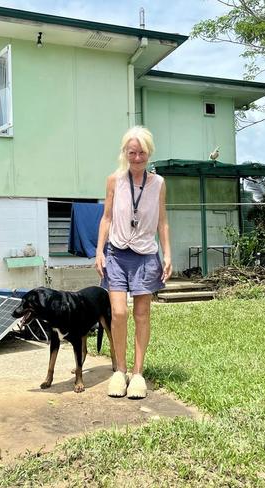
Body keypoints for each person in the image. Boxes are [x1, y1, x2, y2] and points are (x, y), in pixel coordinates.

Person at [95, 126, 172, 399]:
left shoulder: (159, 184)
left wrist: (168, 254)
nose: (137, 157)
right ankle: (120, 370)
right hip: (116, 253)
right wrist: (99, 251)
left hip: (145, 255)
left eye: (141, 152)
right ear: (125, 153)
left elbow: (162, 221)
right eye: (132, 152)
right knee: (118, 313)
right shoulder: (114, 180)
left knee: (142, 315)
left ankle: (137, 374)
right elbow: (106, 217)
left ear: (149, 153)